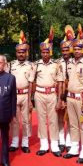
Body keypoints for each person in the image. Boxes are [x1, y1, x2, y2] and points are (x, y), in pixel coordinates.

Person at [29, 26, 63, 157]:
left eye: (47, 52)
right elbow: (31, 81)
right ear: (40, 52)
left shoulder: (56, 64)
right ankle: (44, 145)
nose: (45, 54)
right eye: (43, 52)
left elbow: (60, 82)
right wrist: (31, 99)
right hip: (39, 94)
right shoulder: (35, 64)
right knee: (41, 119)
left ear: (50, 52)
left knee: (53, 119)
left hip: (52, 94)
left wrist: (60, 99)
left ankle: (54, 145)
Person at [62, 24, 83, 164]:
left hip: (81, 99)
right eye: (74, 48)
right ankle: (74, 148)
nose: (76, 51)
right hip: (70, 98)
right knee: (73, 125)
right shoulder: (69, 63)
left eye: (79, 49)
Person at [8, 31, 32, 153]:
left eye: (23, 52)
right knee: (14, 119)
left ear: (26, 53)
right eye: (19, 52)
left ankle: (25, 142)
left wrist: (30, 99)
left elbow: (32, 83)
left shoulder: (31, 65)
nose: (21, 54)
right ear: (16, 53)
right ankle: (14, 141)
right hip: (14, 96)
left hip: (25, 95)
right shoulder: (11, 65)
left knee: (27, 120)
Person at [56, 25, 75, 152]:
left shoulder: (76, 61)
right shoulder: (57, 62)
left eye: (67, 50)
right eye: (63, 50)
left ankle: (69, 141)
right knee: (60, 118)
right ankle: (60, 140)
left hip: (72, 94)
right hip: (60, 93)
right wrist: (60, 98)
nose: (65, 52)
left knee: (71, 118)